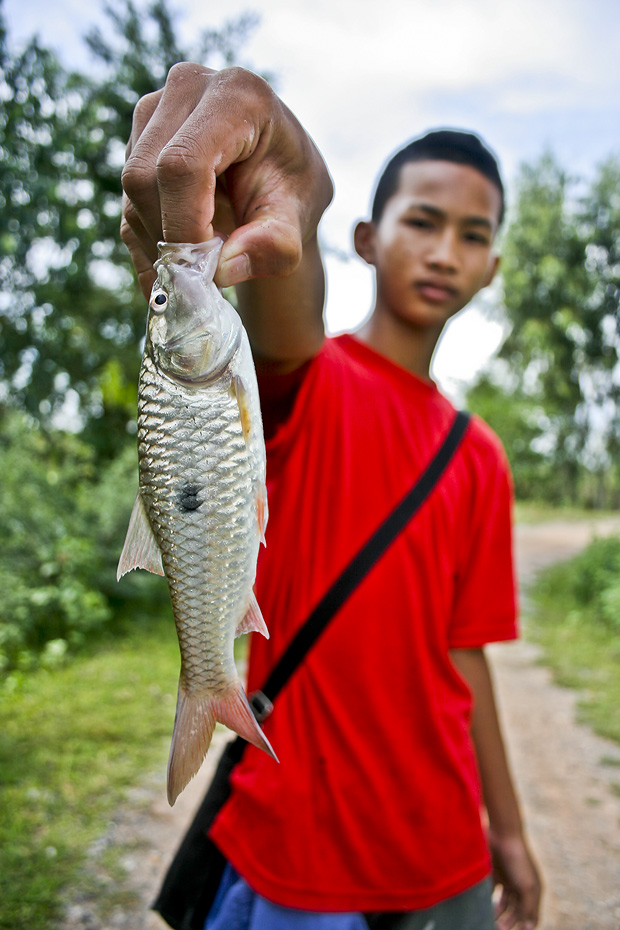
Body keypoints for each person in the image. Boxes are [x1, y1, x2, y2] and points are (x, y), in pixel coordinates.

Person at [121, 63, 542, 930]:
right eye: (421, 221)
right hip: (298, 850)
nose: (442, 251)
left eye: (472, 235)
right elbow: (284, 313)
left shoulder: (481, 456)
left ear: (492, 267)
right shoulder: (311, 380)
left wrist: (508, 826)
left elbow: (469, 658)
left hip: (442, 846)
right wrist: (285, 175)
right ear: (362, 235)